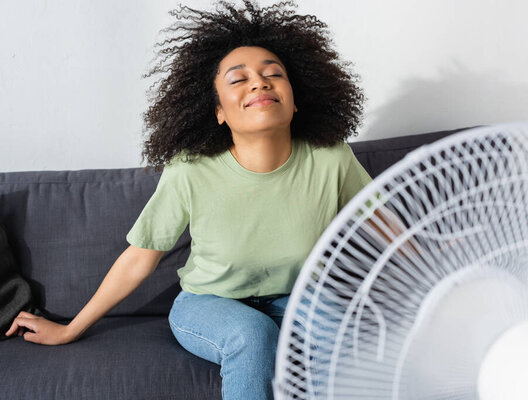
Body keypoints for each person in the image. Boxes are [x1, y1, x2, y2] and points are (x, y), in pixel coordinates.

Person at [5, 1, 400, 399]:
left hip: (296, 298)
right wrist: (71, 328)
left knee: (343, 326)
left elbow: (379, 217)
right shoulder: (190, 169)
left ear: (296, 99)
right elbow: (139, 258)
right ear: (218, 113)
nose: (259, 83)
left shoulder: (331, 156)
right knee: (252, 333)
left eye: (273, 74)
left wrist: (439, 254)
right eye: (238, 79)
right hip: (207, 303)